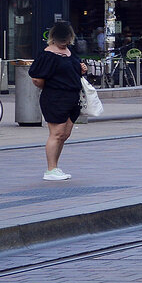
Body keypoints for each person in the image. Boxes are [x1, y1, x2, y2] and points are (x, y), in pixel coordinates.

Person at [28, 22, 87, 182]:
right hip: (55, 98)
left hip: (72, 97)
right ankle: (51, 169)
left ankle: (55, 167)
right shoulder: (47, 55)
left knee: (64, 134)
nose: (65, 42)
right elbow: (36, 78)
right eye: (63, 39)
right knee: (57, 133)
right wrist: (51, 86)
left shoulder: (69, 52)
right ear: (53, 38)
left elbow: (74, 69)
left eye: (67, 39)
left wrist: (82, 69)